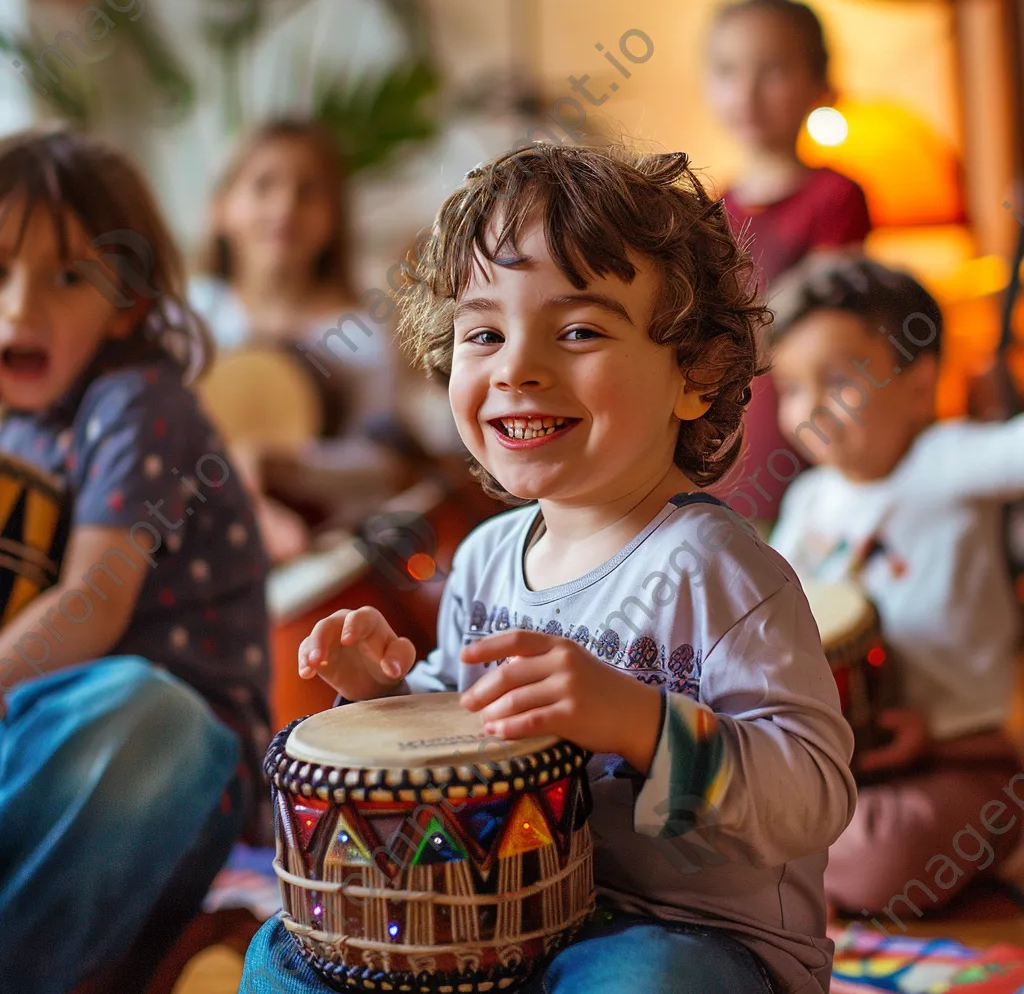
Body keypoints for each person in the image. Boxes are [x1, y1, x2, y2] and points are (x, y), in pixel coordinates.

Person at [239, 144, 857, 994]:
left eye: (578, 331)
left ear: (696, 373)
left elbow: (814, 792)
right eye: (484, 332)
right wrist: (380, 698)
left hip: (693, 942)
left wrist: (640, 724)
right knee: (284, 952)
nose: (518, 368)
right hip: (504, 924)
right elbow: (459, 738)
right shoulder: (488, 559)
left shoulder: (717, 573)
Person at [0, 128, 271, 992]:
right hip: (30, 740)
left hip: (172, 771)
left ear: (126, 306)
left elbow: (90, 605)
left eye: (66, 277)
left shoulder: (136, 402)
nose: (18, 308)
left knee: (147, 711)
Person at [768, 255, 1024, 921]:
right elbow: (767, 609)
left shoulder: (947, 463)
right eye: (793, 389)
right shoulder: (810, 498)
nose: (810, 409)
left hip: (959, 755)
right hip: (852, 760)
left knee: (887, 854)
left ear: (919, 384)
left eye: (839, 380)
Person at [190, 118, 409, 563]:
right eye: (263, 186)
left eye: (308, 191)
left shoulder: (361, 335)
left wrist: (291, 465)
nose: (285, 206)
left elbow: (385, 466)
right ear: (221, 207)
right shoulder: (193, 317)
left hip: (321, 557)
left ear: (334, 218)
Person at [705, 0, 872, 522]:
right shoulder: (712, 209)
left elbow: (824, 320)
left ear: (820, 85)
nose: (748, 94)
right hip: (731, 427)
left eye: (773, 71)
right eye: (728, 71)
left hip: (808, 418)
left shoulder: (836, 197)